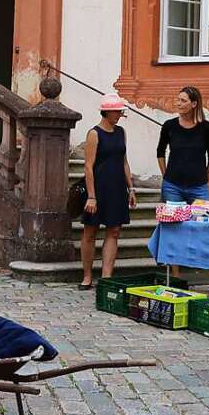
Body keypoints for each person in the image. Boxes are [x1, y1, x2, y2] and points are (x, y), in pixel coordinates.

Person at [80, 94, 137, 290]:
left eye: (121, 112)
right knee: (90, 231)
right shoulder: (94, 133)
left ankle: (106, 277)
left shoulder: (121, 132)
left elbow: (124, 161)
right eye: (118, 111)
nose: (120, 115)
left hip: (117, 187)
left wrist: (131, 188)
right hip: (98, 188)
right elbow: (88, 166)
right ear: (107, 112)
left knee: (114, 231)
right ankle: (87, 276)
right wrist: (91, 196)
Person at [156, 86, 209, 204]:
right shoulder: (169, 126)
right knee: (173, 221)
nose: (178, 103)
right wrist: (165, 176)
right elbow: (160, 152)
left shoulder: (207, 128)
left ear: (194, 104)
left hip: (199, 187)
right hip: (172, 187)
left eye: (183, 101)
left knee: (204, 221)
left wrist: (204, 180)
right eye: (178, 100)